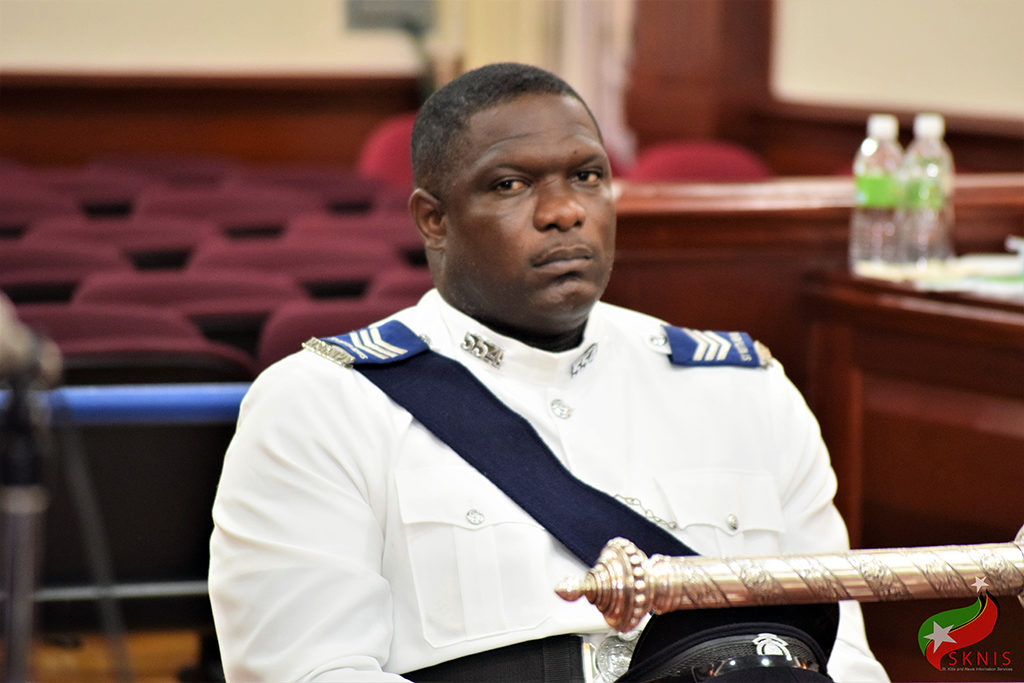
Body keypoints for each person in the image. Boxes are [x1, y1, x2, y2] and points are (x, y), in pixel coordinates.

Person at [208, 62, 888, 682]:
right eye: (511, 184)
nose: (565, 211)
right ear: (434, 220)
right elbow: (309, 671)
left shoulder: (745, 391)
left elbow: (843, 656)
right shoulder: (323, 406)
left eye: (587, 176)